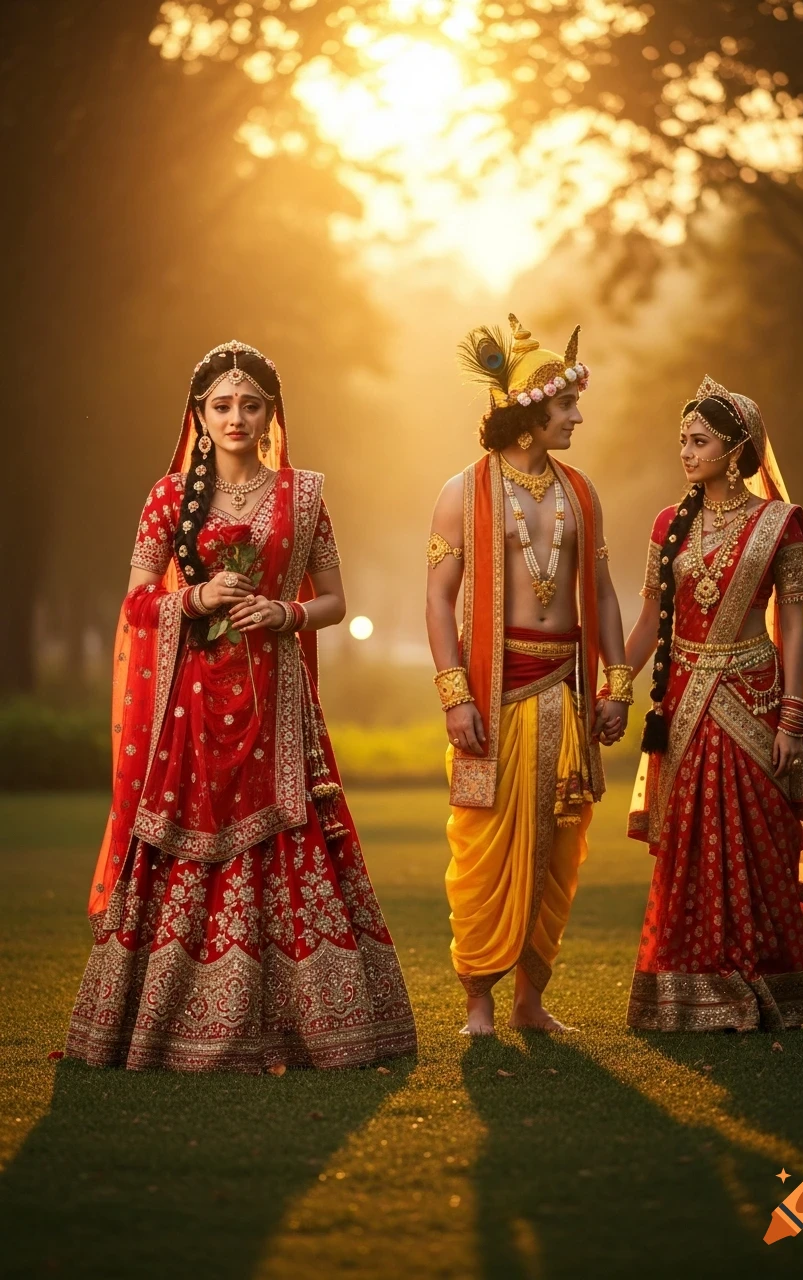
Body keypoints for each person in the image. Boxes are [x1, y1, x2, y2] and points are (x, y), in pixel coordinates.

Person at [66, 340, 416, 1072]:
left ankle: (309, 1027)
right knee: (186, 843)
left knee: (292, 844)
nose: (237, 417)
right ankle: (167, 1025)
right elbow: (136, 603)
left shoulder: (305, 494)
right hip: (190, 712)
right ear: (199, 414)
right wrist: (192, 598)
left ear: (270, 415)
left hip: (280, 707)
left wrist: (284, 615)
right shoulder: (168, 497)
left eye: (250, 405)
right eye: (222, 405)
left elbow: (334, 603)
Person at [426, 314, 632, 1035]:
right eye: (566, 406)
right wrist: (454, 696)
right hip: (494, 692)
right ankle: (478, 999)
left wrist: (617, 684)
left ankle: (530, 1000)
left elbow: (602, 595)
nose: (577, 417)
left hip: (564, 696)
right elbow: (437, 599)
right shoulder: (463, 491)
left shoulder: (581, 493)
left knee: (558, 852)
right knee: (483, 846)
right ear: (528, 416)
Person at [623, 376, 803, 1032]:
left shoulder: (781, 523)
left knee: (757, 839)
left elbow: (793, 623)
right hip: (685, 705)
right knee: (690, 844)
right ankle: (690, 995)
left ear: (738, 449)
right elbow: (648, 622)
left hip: (756, 699)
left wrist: (794, 717)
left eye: (699, 441)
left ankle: (765, 987)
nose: (685, 452)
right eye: (682, 440)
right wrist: (609, 683)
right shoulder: (668, 524)